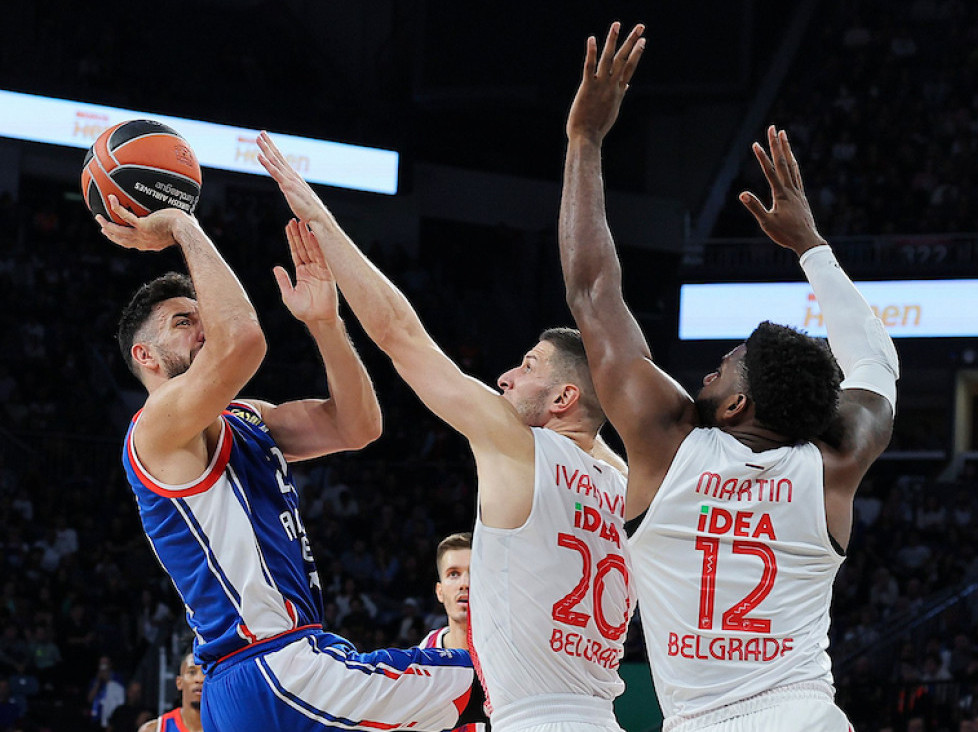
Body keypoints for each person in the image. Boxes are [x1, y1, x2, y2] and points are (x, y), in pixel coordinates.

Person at [559, 22, 897, 732]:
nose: (706, 374)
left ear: (738, 403)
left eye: (721, 370)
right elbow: (876, 362)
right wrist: (812, 247)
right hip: (806, 716)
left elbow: (592, 291)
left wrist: (584, 140)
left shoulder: (668, 442)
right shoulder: (834, 464)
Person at [257, 132, 634, 732]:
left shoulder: (520, 447)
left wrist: (319, 217)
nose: (506, 376)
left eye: (528, 367)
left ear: (564, 399)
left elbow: (401, 336)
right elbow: (596, 424)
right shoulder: (625, 484)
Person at [98, 196, 473, 732]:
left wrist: (325, 323)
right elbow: (243, 340)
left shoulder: (246, 417)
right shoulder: (154, 428)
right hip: (274, 666)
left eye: (203, 317)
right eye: (184, 322)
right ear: (146, 356)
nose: (204, 328)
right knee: (489, 679)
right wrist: (183, 225)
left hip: (257, 680)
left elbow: (357, 426)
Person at [419, 533, 489, 731]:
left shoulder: (512, 654)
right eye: (454, 574)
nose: (464, 583)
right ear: (440, 592)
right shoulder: (424, 655)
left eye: (474, 571)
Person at [138, 652, 204, 732]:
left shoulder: (219, 726)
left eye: (205, 672)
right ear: (179, 682)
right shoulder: (153, 729)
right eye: (192, 672)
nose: (199, 679)